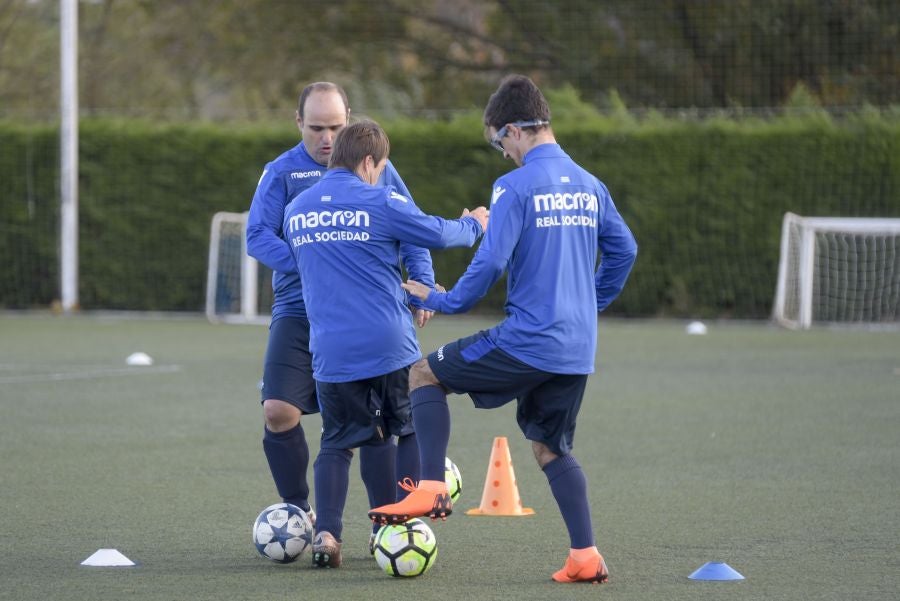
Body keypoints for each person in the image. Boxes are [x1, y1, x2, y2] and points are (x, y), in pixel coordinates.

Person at [368, 74, 638, 584]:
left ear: (513, 130)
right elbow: (626, 249)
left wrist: (445, 300)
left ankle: (429, 485)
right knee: (550, 449)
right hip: (576, 347)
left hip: (527, 341)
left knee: (424, 374)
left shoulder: (514, 186)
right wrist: (589, 303)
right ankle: (585, 556)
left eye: (500, 145)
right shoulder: (589, 183)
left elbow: (490, 262)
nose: (504, 156)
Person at [282, 119, 488, 567]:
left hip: (330, 350)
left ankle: (328, 535)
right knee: (407, 427)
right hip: (388, 343)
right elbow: (436, 233)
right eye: (380, 166)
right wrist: (473, 225)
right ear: (369, 162)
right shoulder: (379, 199)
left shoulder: (297, 209)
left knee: (337, 443)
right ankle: (397, 524)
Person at [246, 82, 436, 541]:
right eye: (316, 128)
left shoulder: (375, 168)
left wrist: (423, 282)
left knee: (379, 422)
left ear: (349, 119)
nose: (327, 138)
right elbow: (257, 235)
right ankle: (300, 512)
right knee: (277, 411)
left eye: (336, 126)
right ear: (299, 124)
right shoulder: (281, 172)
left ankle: (384, 523)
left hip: (367, 310)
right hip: (300, 309)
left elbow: (411, 227)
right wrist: (312, 264)